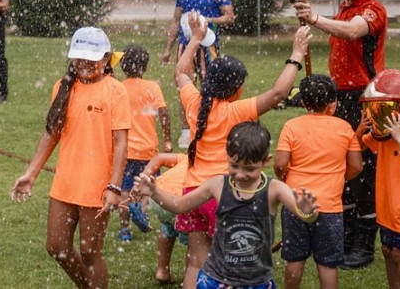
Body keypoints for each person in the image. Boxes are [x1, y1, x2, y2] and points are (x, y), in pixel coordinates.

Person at [173, 11, 310, 289]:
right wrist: (296, 53)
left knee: (196, 262)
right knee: (227, 263)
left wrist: (196, 39)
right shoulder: (236, 110)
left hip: (191, 191)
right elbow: (278, 94)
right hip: (220, 193)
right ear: (237, 88)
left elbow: (181, 73)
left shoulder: (195, 102)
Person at [10, 27, 131, 289]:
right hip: (65, 183)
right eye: (79, 58)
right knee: (56, 246)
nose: (85, 64)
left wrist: (114, 186)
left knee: (90, 252)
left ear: (107, 58)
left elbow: (122, 143)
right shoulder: (62, 87)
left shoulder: (115, 90)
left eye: (92, 58)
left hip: (97, 187)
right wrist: (31, 174)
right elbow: (52, 133)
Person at [134, 121, 320, 289]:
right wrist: (155, 192)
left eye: (249, 169)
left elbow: (305, 215)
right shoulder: (217, 185)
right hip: (217, 279)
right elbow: (180, 205)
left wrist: (307, 211)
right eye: (234, 166)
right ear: (227, 157)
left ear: (265, 161)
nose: (240, 175)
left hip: (256, 281)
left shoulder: (274, 189)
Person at [293, 0, 387, 268]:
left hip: (370, 100)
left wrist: (315, 19)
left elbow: (351, 32)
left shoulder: (374, 11)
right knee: (343, 170)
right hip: (342, 99)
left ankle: (364, 246)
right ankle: (344, 239)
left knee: (366, 172)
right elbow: (340, 28)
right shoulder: (345, 9)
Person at [274, 74, 364, 289]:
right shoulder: (344, 128)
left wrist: (285, 177)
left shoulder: (291, 126)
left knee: (295, 258)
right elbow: (357, 166)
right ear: (333, 102)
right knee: (327, 263)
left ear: (304, 102)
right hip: (330, 207)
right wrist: (341, 177)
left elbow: (280, 163)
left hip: (296, 203)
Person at [357, 69, 400, 289]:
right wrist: (360, 129)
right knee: (387, 252)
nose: (378, 118)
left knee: (399, 254)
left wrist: (399, 138)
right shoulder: (382, 135)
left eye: (383, 111)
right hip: (387, 209)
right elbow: (358, 146)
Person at [160, 0, 235, 149]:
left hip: (208, 45)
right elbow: (176, 20)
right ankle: (186, 132)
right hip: (186, 46)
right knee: (185, 87)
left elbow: (229, 17)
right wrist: (168, 48)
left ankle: (210, 125)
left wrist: (207, 20)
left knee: (211, 86)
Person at [117, 44, 172, 241]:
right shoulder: (152, 87)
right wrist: (167, 139)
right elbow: (163, 113)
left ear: (123, 67)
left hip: (125, 151)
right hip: (149, 150)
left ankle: (124, 230)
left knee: (124, 189)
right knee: (147, 186)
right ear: (145, 67)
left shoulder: (119, 89)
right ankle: (140, 209)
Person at [141, 152, 190, 285]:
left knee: (168, 228)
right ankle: (189, 279)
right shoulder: (213, 165)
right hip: (180, 201)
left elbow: (159, 157)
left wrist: (144, 179)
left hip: (158, 197)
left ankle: (163, 270)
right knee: (196, 240)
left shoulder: (186, 157)